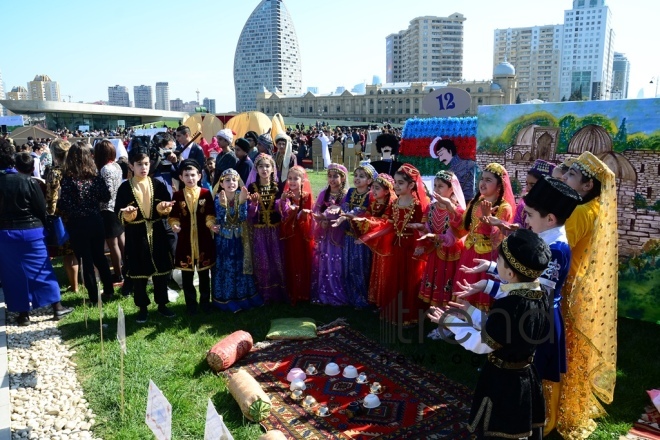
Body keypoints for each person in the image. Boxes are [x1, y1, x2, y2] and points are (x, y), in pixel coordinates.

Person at [458, 176, 582, 435]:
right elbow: (523, 279)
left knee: (527, 375)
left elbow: (531, 291)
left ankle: (533, 424)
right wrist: (491, 271)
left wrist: (488, 286)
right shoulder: (543, 238)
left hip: (537, 318)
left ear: (549, 219)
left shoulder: (555, 248)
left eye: (530, 215)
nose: (525, 220)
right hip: (531, 312)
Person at [427, 229, 552, 440]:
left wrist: (450, 322)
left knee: (502, 430)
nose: (496, 263)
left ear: (511, 273)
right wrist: (470, 311)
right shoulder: (539, 294)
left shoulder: (512, 303)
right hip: (527, 376)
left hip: (504, 383)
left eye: (499, 261)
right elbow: (501, 330)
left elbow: (482, 343)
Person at [556, 151, 617, 439]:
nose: (565, 177)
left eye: (571, 175)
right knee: (575, 354)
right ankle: (571, 406)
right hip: (583, 290)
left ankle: (561, 410)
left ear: (587, 184)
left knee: (564, 353)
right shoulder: (594, 209)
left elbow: (556, 249)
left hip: (568, 289)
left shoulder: (581, 212)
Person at [0, 139, 72, 325]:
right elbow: (41, 209)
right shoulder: (28, 181)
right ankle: (57, 307)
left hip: (5, 233)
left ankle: (23, 314)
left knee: (12, 274)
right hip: (32, 231)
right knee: (42, 269)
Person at [115, 144, 176, 323]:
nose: (144, 168)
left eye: (147, 164)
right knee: (139, 273)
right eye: (140, 164)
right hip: (136, 234)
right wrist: (126, 212)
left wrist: (162, 207)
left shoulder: (157, 184)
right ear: (131, 166)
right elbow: (119, 212)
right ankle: (142, 307)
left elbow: (165, 204)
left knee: (160, 272)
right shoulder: (125, 188)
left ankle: (162, 304)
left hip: (157, 231)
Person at [452, 163, 515, 310]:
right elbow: (463, 228)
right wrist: (451, 210)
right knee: (464, 286)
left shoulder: (504, 207)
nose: (483, 183)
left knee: (480, 290)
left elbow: (498, 238)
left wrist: (488, 219)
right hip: (469, 252)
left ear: (499, 185)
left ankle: (479, 325)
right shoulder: (476, 202)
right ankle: (460, 321)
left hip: (487, 257)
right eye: (482, 179)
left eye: (488, 180)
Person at [58, 141, 115, 303]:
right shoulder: (95, 177)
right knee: (99, 257)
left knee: (86, 260)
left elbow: (65, 204)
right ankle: (109, 290)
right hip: (95, 220)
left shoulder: (69, 179)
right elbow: (106, 196)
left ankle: (93, 296)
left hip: (77, 223)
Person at [379, 164, 429, 326]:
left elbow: (423, 229)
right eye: (396, 182)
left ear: (411, 185)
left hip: (412, 248)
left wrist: (420, 246)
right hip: (397, 247)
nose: (396, 186)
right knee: (395, 278)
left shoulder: (418, 205)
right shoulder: (394, 203)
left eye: (400, 183)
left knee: (410, 279)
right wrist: (369, 233)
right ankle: (395, 312)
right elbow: (389, 226)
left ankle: (411, 314)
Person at [168, 159, 216, 315]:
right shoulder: (177, 195)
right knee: (187, 276)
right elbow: (173, 216)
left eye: (193, 175)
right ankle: (191, 306)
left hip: (203, 240)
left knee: (204, 275)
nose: (190, 178)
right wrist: (174, 224)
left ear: (199, 176)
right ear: (181, 177)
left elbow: (210, 213)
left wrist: (210, 224)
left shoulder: (206, 193)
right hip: (185, 241)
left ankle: (205, 303)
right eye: (186, 175)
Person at [211, 169, 262, 312]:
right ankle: (225, 300)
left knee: (240, 268)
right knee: (226, 268)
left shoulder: (242, 195)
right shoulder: (217, 198)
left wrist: (241, 203)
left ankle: (243, 298)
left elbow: (242, 218)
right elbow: (222, 220)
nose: (231, 183)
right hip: (223, 240)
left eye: (234, 180)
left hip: (239, 239)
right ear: (221, 183)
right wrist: (223, 205)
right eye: (227, 180)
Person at [418, 170, 466, 314]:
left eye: (440, 186)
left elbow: (454, 237)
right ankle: (436, 313)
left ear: (451, 189)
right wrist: (422, 230)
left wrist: (434, 236)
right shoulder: (430, 207)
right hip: (434, 252)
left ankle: (447, 316)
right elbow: (426, 226)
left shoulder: (457, 211)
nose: (436, 189)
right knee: (435, 281)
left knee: (447, 282)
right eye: (435, 185)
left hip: (451, 254)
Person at [334, 161, 378, 309]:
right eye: (356, 175)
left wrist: (346, 215)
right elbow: (345, 206)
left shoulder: (370, 194)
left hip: (361, 238)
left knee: (360, 267)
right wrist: (340, 212)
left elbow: (361, 210)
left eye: (362, 176)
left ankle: (362, 298)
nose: (357, 178)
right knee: (348, 266)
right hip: (348, 235)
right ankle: (351, 297)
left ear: (370, 181)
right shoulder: (351, 191)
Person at [246, 153, 287, 303]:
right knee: (262, 261)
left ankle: (278, 293)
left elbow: (282, 210)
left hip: (275, 230)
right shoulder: (252, 187)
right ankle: (264, 294)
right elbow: (249, 214)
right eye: (261, 166)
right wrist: (254, 204)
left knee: (277, 260)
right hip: (259, 230)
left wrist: (281, 202)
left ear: (272, 168)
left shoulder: (278, 187)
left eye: (267, 166)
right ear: (256, 169)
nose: (264, 169)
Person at [353, 173, 397, 309]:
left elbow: (386, 224)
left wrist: (367, 221)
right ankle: (377, 301)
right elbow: (368, 216)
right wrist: (359, 218)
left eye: (377, 188)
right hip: (377, 242)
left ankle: (385, 302)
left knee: (385, 271)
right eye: (373, 188)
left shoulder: (392, 204)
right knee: (376, 269)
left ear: (387, 190)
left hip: (387, 243)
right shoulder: (374, 202)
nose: (373, 191)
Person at [44, 139, 79, 293]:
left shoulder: (55, 172)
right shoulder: (76, 168)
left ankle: (74, 286)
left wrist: (49, 214)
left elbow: (51, 198)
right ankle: (82, 282)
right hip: (78, 213)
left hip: (62, 216)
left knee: (68, 254)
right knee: (77, 251)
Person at [311, 163, 349, 305]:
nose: (332, 179)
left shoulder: (346, 195)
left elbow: (347, 213)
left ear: (343, 178)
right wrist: (321, 221)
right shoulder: (323, 193)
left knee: (337, 262)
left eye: (336, 176)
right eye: (330, 176)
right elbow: (316, 211)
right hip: (325, 234)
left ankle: (337, 291)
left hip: (338, 234)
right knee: (324, 261)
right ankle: (324, 291)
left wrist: (338, 212)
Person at [277, 166, 315, 305]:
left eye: (296, 178)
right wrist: (283, 203)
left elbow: (310, 215)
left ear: (302, 179)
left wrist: (303, 215)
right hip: (291, 235)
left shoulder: (307, 196)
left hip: (303, 234)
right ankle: (293, 292)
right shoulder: (286, 195)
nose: (292, 181)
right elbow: (283, 214)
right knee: (292, 260)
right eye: (290, 178)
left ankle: (304, 292)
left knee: (304, 260)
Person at [94, 140, 125, 285]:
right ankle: (127, 269)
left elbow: (106, 192)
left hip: (107, 208)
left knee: (112, 244)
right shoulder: (117, 166)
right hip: (118, 206)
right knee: (121, 240)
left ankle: (118, 274)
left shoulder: (104, 169)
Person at [512, 159, 555, 230]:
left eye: (532, 185)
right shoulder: (523, 205)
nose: (527, 188)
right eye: (527, 184)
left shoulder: (553, 209)